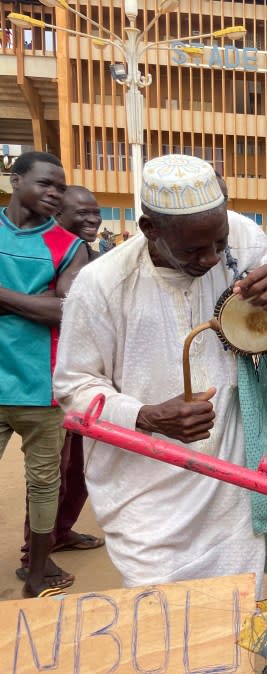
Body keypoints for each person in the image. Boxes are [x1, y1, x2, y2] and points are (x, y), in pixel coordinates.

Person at [54, 154, 267, 597]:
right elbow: (74, 386)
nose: (212, 258)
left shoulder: (242, 238)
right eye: (194, 250)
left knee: (234, 609)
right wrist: (147, 416)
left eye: (218, 243)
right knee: (161, 619)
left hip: (230, 482)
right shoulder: (101, 285)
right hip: (146, 498)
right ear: (149, 229)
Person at [1, 151, 88, 598]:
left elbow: (65, 310)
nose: (54, 194)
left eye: (60, 186)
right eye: (45, 184)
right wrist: (31, 303)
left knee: (44, 486)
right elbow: (48, 305)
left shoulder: (69, 245)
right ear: (15, 180)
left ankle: (36, 574)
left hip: (42, 388)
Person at [17, 186, 105, 580]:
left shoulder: (93, 255)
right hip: (49, 381)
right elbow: (63, 311)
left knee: (79, 470)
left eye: (96, 213)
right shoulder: (54, 253)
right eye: (81, 213)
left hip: (94, 381)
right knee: (51, 472)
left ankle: (62, 531)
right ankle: (33, 554)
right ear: (57, 216)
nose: (92, 220)